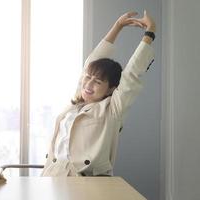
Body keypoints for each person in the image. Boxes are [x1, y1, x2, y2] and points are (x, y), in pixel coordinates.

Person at [41, 10, 156, 176]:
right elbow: (92, 62)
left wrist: (150, 33)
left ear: (111, 88)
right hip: (52, 174)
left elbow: (131, 74)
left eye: (97, 82)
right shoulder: (75, 106)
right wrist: (117, 26)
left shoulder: (112, 109)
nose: (88, 84)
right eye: (87, 78)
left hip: (86, 180)